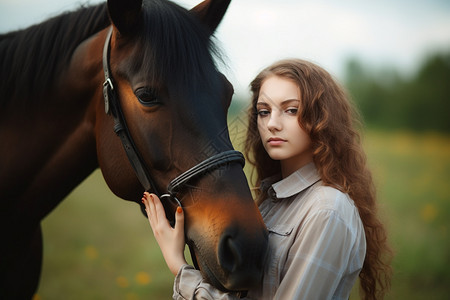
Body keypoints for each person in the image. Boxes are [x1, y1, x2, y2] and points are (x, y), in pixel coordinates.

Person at [142, 58, 392, 300]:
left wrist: (180, 268)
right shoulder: (271, 200)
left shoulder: (327, 210)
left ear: (321, 118)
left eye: (291, 110)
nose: (272, 124)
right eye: (264, 112)